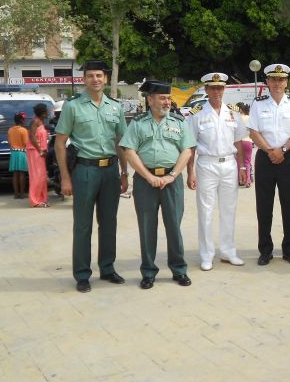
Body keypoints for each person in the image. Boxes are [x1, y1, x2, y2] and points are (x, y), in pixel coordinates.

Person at [55, 60, 129, 293]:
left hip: (110, 170)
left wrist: (125, 173)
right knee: (83, 225)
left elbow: (121, 143)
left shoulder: (116, 107)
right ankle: (82, 274)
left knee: (109, 222)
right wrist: (65, 178)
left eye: (99, 75)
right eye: (90, 76)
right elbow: (59, 143)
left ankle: (107, 268)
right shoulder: (73, 106)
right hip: (84, 170)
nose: (95, 80)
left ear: (106, 79)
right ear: (84, 79)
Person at [120, 81, 196, 290]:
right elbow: (129, 151)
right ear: (150, 99)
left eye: (168, 98)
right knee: (147, 228)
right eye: (162, 98)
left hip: (172, 181)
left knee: (174, 226)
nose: (166, 102)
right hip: (146, 182)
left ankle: (179, 269)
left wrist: (173, 175)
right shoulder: (138, 123)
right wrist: (147, 176)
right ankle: (148, 271)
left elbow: (187, 150)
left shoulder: (179, 122)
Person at [247, 63, 290, 266]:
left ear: (286, 82)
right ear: (267, 81)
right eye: (273, 79)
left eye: (281, 79)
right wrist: (270, 151)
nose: (277, 83)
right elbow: (253, 132)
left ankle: (289, 249)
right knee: (264, 207)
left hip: (288, 158)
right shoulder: (258, 103)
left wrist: (282, 151)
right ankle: (265, 250)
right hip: (265, 159)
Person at [187, 72, 248, 271]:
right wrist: (191, 172)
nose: (216, 91)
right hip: (206, 165)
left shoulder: (233, 113)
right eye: (212, 88)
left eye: (220, 88)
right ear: (206, 90)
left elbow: (239, 142)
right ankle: (206, 254)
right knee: (206, 211)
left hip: (229, 164)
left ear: (224, 89)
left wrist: (242, 166)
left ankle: (228, 251)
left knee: (229, 210)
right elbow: (191, 146)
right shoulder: (197, 114)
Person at [26, 103, 50, 208]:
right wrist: (40, 150)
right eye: (46, 112)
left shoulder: (41, 121)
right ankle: (35, 200)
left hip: (41, 151)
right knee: (36, 176)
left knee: (42, 176)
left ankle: (41, 199)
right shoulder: (35, 122)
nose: (47, 113)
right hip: (35, 151)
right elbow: (32, 137)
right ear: (42, 113)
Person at [8, 112, 29, 199]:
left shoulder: (10, 130)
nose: (24, 121)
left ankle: (16, 193)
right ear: (21, 120)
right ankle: (22, 193)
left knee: (15, 174)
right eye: (24, 119)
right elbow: (25, 143)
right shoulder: (23, 130)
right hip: (21, 152)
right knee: (22, 174)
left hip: (13, 153)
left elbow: (9, 142)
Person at [238, 103, 253, 187]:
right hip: (248, 141)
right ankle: (248, 181)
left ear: (240, 110)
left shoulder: (237, 118)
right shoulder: (249, 118)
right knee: (247, 162)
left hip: (239, 142)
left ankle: (240, 180)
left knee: (239, 162)